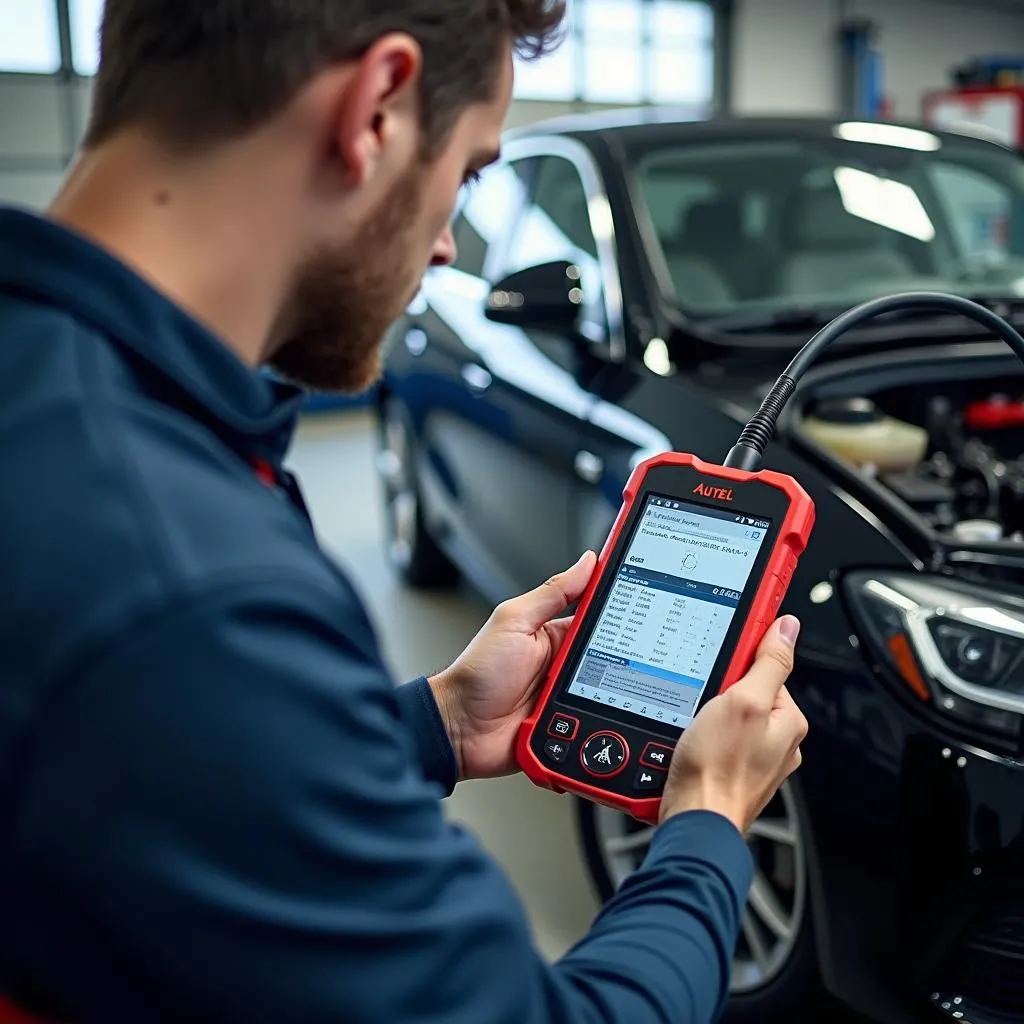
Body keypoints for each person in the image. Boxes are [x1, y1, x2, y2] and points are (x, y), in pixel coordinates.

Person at [0, 2, 808, 1021]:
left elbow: (152, 782)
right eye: (467, 174)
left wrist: (427, 725)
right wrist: (706, 822)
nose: (448, 249)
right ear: (375, 108)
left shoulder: (68, 400)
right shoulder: (186, 583)